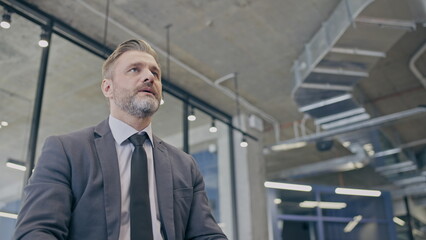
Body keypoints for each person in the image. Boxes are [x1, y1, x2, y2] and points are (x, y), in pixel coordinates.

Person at [14, 39, 227, 240]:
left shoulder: (185, 165)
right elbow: (36, 231)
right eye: (135, 69)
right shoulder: (66, 151)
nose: (149, 77)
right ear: (108, 87)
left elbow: (206, 235)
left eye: (155, 73)